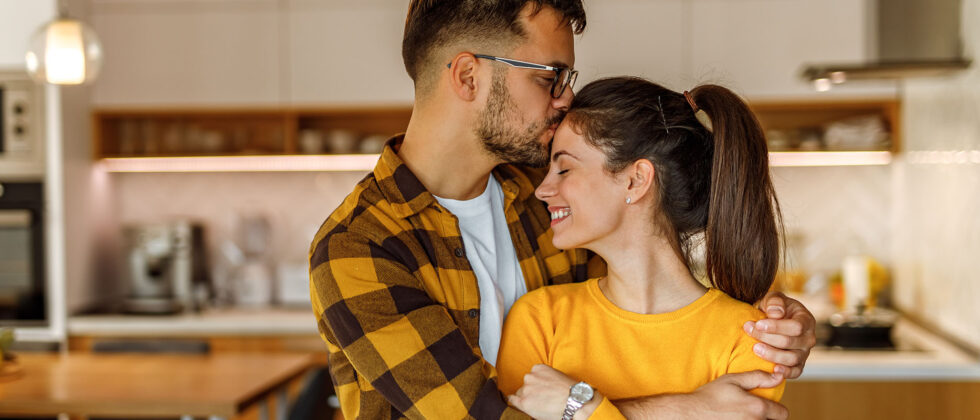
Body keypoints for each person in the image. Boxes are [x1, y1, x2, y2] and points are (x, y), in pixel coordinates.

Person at [308, 1, 816, 419]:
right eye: (550, 76)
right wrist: (679, 410)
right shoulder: (359, 247)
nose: (566, 96)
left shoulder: (543, 202)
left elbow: (650, 302)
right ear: (468, 77)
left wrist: (774, 322)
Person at [497, 77, 787, 420]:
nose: (543, 190)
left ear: (635, 180)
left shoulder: (752, 336)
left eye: (564, 168)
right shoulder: (540, 319)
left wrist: (583, 407)